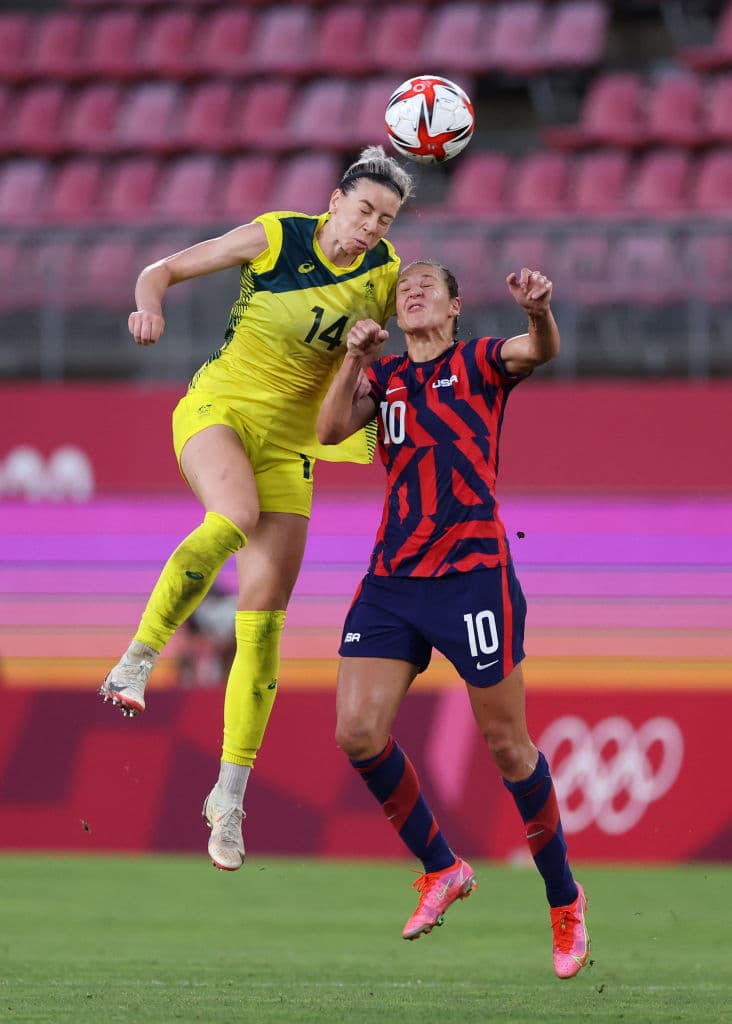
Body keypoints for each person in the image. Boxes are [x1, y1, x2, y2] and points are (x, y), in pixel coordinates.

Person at [99, 146, 415, 872]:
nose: (371, 227)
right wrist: (148, 306)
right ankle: (136, 660)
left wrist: (376, 358)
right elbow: (163, 270)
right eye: (364, 209)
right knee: (232, 515)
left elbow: (422, 333)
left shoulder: (386, 275)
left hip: (293, 446)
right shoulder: (278, 236)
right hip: (220, 410)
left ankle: (228, 801)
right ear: (335, 201)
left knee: (264, 622)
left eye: (386, 218)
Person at [316, 260, 590, 979]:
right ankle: (442, 868)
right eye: (404, 287)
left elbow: (542, 351)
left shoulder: (482, 360)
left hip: (474, 578)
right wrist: (352, 359)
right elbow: (330, 425)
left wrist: (539, 311)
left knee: (508, 748)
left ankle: (564, 900)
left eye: (427, 285)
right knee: (356, 731)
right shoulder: (387, 381)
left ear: (455, 306)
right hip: (393, 579)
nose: (411, 292)